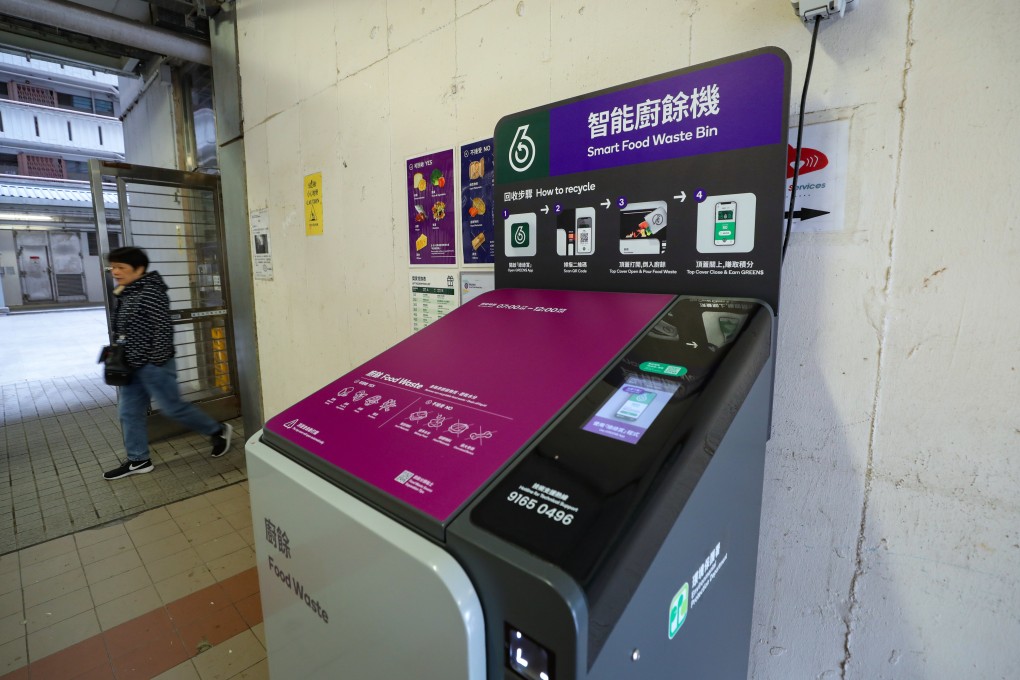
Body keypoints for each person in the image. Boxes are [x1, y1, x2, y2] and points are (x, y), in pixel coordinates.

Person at [102, 246, 233, 480]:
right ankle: (138, 459)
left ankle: (218, 431)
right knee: (128, 412)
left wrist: (156, 361)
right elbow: (121, 327)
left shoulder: (152, 291)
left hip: (154, 365)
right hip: (131, 365)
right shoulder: (127, 291)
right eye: (114, 267)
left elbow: (163, 328)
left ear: (139, 269)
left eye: (121, 267)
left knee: (174, 408)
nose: (115, 272)